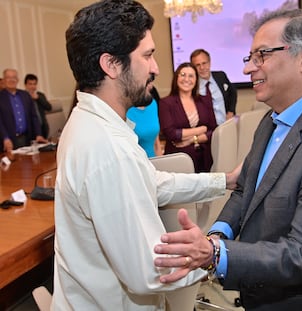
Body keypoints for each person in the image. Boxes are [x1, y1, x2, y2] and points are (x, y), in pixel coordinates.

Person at [154, 9, 302, 311]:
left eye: (262, 55)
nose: (248, 70)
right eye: (250, 57)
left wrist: (216, 254)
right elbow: (246, 190)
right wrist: (218, 235)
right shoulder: (272, 118)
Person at [54, 1, 240, 310]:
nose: (155, 68)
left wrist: (226, 180)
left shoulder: (92, 124)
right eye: (148, 55)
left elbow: (152, 183)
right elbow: (153, 270)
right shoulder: (107, 148)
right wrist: (219, 254)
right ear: (111, 64)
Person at [158, 62, 217, 172]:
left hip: (205, 159)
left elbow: (214, 130)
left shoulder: (205, 101)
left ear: (196, 80)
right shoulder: (166, 103)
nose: (187, 79)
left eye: (191, 76)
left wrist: (193, 140)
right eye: (183, 74)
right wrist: (201, 129)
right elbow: (171, 134)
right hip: (179, 161)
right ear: (176, 77)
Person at [0, 68, 47, 152]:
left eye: (14, 77)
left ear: (17, 80)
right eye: (8, 77)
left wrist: (38, 134)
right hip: (8, 142)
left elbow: (34, 117)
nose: (11, 80)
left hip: (27, 139)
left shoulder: (25, 95)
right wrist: (5, 138)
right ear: (3, 80)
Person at [190, 48, 238, 124]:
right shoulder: (192, 86)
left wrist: (231, 111)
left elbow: (233, 92)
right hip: (207, 130)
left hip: (227, 125)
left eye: (204, 63)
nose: (202, 68)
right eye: (197, 65)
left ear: (209, 63)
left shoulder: (221, 76)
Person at [127, 86, 163, 157]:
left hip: (153, 162)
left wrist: (161, 163)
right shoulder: (126, 108)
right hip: (136, 163)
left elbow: (156, 142)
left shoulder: (152, 103)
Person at [24, 73, 53, 139]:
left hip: (43, 127)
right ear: (25, 85)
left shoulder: (40, 95)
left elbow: (49, 107)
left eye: (34, 84)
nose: (32, 86)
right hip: (30, 129)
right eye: (30, 84)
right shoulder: (23, 96)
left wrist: (38, 98)